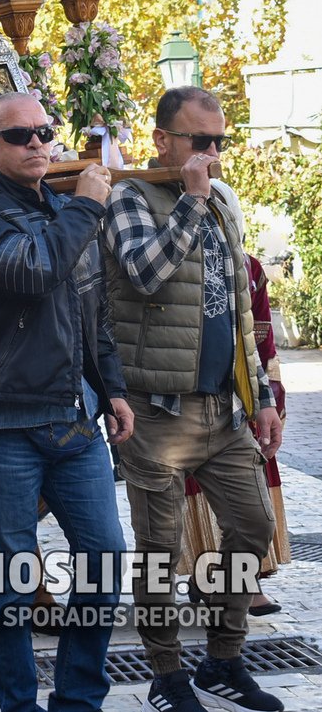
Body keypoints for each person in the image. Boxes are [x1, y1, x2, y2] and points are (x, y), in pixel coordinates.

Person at [0, 92, 133, 712]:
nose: (36, 143)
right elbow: (35, 271)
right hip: (1, 419)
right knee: (12, 583)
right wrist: (86, 208)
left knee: (104, 563)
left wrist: (113, 390)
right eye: (19, 135)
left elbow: (88, 309)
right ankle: (20, 705)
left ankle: (78, 700)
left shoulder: (62, 206)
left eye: (44, 131)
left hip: (73, 418)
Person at [104, 86, 284, 712]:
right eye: (198, 142)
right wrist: (192, 200)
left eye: (219, 142)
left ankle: (222, 660)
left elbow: (237, 311)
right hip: (154, 412)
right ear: (162, 141)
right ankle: (165, 673)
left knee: (253, 526)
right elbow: (143, 274)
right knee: (159, 549)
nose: (211, 154)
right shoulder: (131, 196)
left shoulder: (223, 205)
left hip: (223, 410)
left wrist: (260, 396)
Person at [179, 253, 290, 616]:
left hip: (238, 393)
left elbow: (259, 334)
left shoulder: (248, 265)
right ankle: (207, 575)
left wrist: (268, 395)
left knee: (252, 508)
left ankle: (242, 581)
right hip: (178, 398)